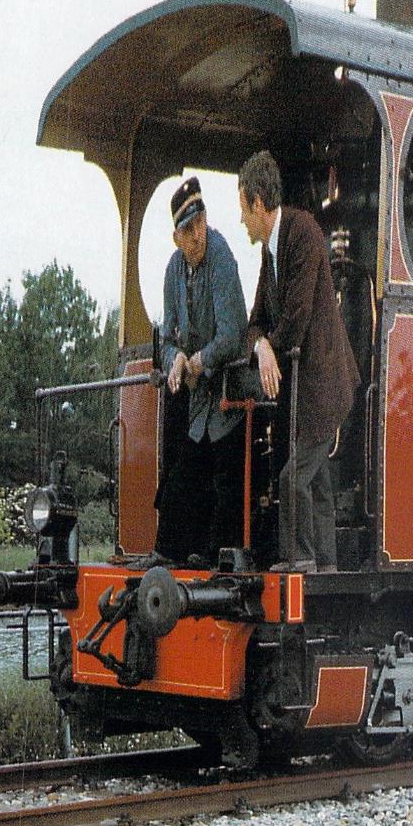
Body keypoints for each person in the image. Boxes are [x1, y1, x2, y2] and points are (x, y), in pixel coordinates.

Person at [238, 151, 360, 573]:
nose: (241, 222)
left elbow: (296, 316)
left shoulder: (302, 231)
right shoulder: (269, 254)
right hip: (303, 393)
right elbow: (255, 322)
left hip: (324, 387)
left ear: (257, 203)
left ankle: (302, 560)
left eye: (242, 209)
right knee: (318, 483)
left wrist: (270, 343)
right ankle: (326, 564)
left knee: (293, 480)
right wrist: (262, 347)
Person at [138, 175, 248, 569]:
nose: (197, 234)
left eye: (200, 223)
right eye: (188, 229)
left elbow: (233, 333)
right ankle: (167, 556)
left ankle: (213, 560)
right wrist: (175, 362)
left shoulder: (221, 256)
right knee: (182, 475)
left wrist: (198, 360)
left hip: (227, 396)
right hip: (196, 400)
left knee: (224, 483)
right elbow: (167, 339)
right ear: (176, 238)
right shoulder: (172, 271)